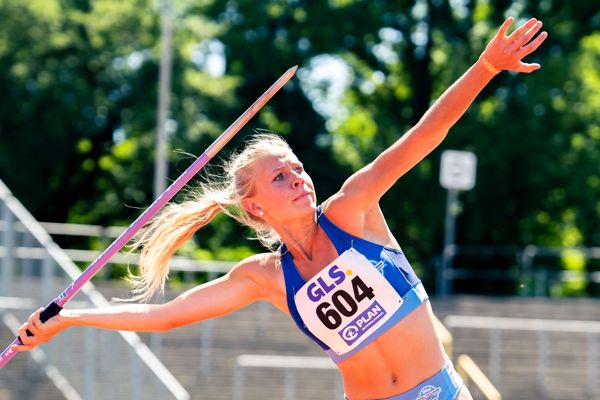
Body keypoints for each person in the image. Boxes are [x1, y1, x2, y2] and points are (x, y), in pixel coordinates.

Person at [14, 17, 546, 400]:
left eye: (296, 168)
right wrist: (73, 320)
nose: (297, 179)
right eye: (279, 177)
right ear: (255, 207)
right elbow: (166, 316)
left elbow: (424, 136)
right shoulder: (265, 278)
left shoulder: (353, 210)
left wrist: (484, 68)